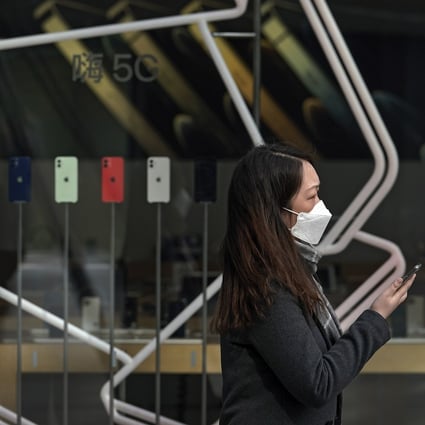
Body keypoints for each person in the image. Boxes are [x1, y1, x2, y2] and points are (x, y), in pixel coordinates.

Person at [210, 142, 416, 425]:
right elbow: (318, 382)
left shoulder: (291, 273)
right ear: (275, 210)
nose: (322, 207)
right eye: (312, 197)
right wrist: (375, 318)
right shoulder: (266, 288)